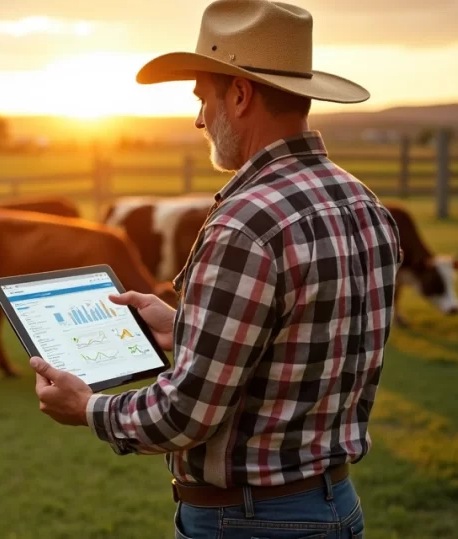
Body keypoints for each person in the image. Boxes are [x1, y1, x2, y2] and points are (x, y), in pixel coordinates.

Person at [27, 1, 402, 538]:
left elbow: (186, 414)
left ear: (241, 95)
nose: (200, 118)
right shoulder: (361, 201)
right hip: (335, 505)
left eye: (204, 97)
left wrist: (88, 407)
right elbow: (296, 348)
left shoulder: (245, 222)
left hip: (248, 521)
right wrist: (184, 327)